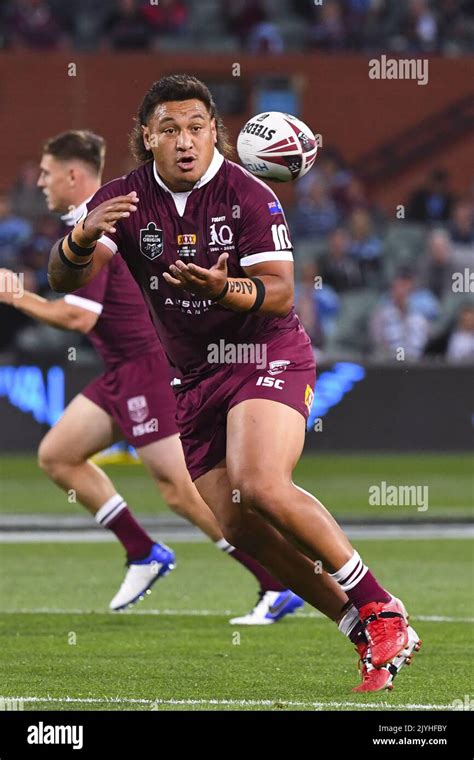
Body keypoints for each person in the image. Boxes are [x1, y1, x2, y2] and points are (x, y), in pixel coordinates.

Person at [47, 75, 421, 692]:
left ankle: (380, 605)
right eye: (170, 129)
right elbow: (62, 277)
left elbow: (276, 296)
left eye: (197, 127)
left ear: (214, 131)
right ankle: (362, 627)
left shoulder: (247, 193)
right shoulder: (124, 197)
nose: (186, 140)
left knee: (260, 484)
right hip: (191, 378)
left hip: (263, 352)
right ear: (148, 137)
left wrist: (220, 288)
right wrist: (81, 238)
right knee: (238, 524)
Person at [1, 129, 304, 623]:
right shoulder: (100, 219)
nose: (39, 182)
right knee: (58, 455)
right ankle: (144, 552)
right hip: (120, 370)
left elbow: (79, 316)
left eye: (46, 173)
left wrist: (18, 297)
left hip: (147, 367)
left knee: (182, 491)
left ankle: (276, 583)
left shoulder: (110, 220)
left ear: (73, 175)